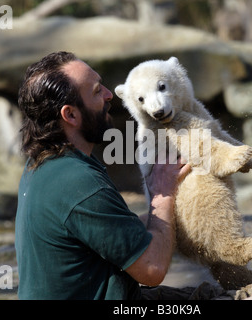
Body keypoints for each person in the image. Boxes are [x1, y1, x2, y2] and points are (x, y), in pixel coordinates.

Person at [15, 51, 191, 300]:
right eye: (97, 91)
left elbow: (111, 230)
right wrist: (163, 193)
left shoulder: (44, 165)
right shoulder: (79, 183)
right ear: (71, 115)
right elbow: (152, 269)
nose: (110, 95)